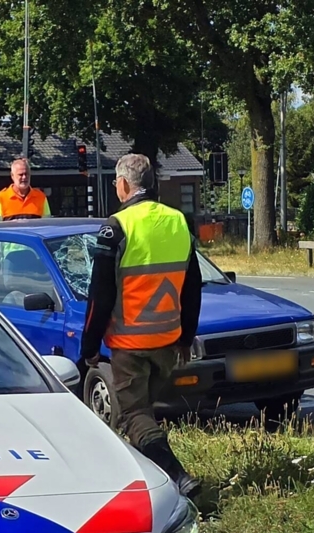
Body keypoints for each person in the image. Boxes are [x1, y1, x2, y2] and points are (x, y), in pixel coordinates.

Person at [81, 153, 203, 499]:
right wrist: (186, 335)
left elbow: (100, 295)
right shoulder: (179, 220)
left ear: (122, 185)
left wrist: (89, 348)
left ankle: (177, 479)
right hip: (167, 341)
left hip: (130, 344)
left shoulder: (116, 226)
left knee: (133, 415)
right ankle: (147, 485)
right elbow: (192, 285)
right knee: (146, 418)